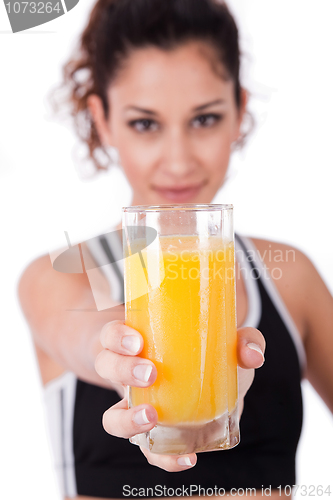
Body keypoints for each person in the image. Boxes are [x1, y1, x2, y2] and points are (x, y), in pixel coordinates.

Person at [18, 0, 333, 499]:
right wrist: (133, 375)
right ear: (102, 119)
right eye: (145, 124)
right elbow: (85, 337)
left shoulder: (289, 277)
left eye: (204, 119)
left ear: (239, 112)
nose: (179, 159)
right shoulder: (63, 276)